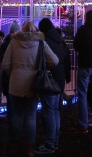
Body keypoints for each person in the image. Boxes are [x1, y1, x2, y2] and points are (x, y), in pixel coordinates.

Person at [2, 21, 57, 156]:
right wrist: (42, 68)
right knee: (31, 117)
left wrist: (14, 74)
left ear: (22, 30)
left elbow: (5, 64)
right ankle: (29, 148)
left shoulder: (14, 42)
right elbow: (54, 61)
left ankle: (14, 143)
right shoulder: (40, 43)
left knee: (17, 115)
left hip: (16, 83)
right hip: (33, 83)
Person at [36, 18, 71, 155]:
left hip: (50, 80)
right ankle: (54, 141)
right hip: (60, 79)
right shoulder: (60, 42)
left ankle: (50, 143)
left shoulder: (46, 43)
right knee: (55, 111)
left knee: (49, 112)